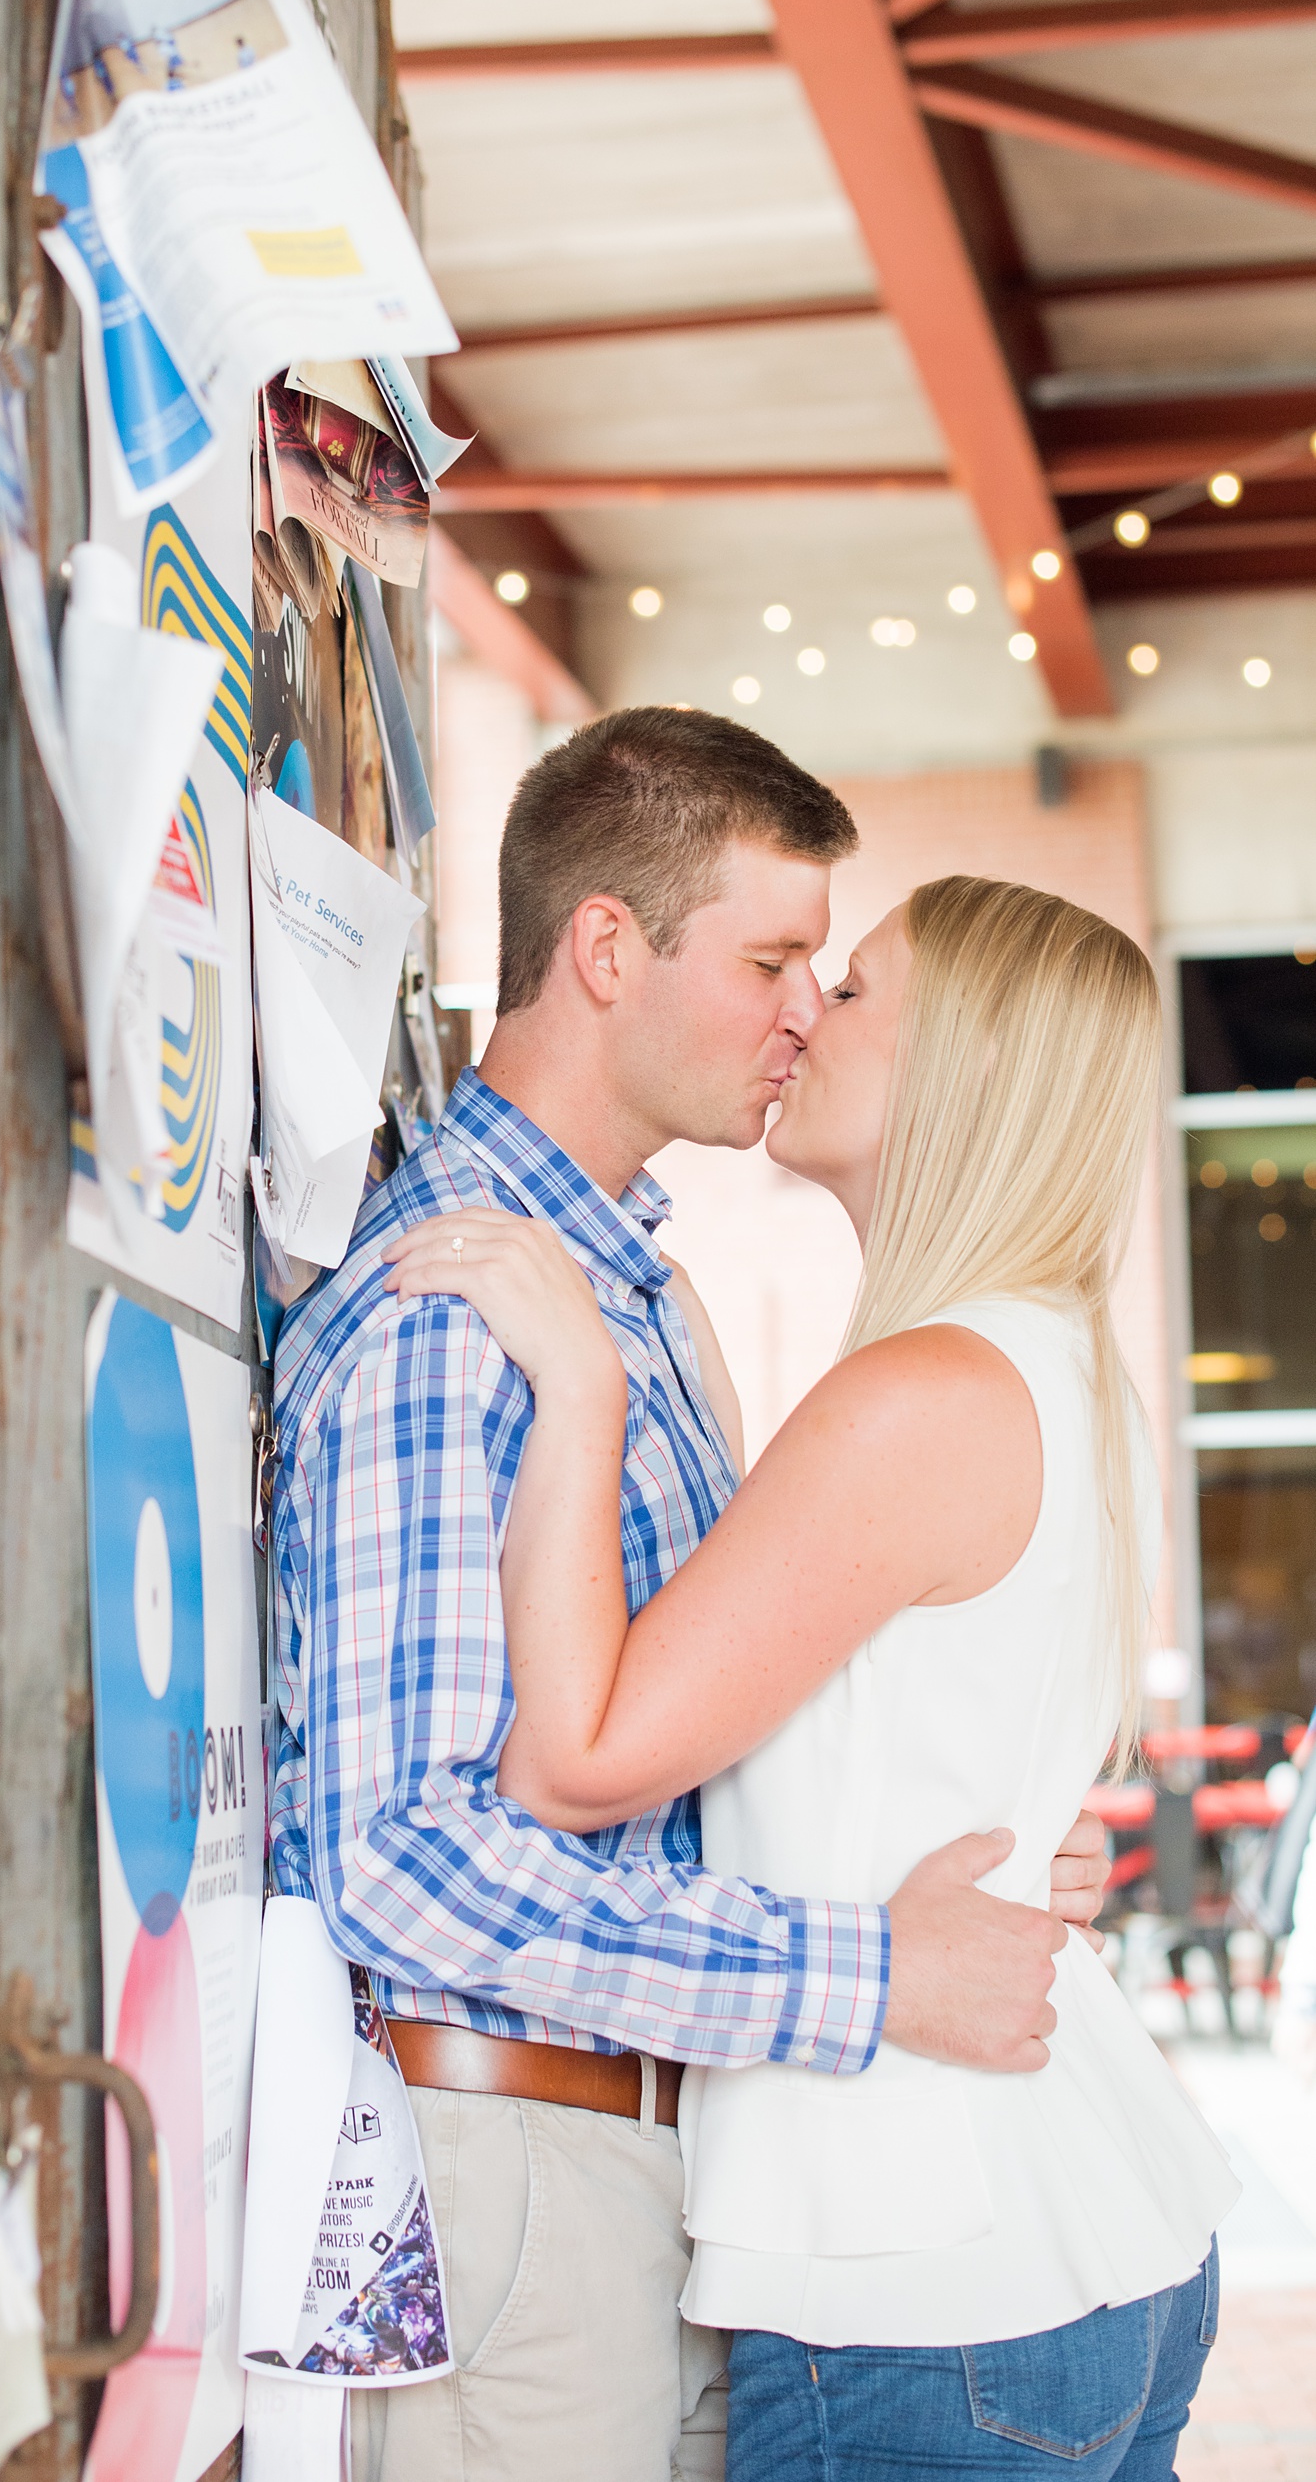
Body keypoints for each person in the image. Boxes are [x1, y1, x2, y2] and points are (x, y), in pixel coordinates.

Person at [269, 710, 1112, 2482]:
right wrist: (870, 1970)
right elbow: (398, 1861)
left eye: (827, 968)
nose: (807, 1009)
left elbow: (679, 1757)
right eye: (771, 958)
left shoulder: (622, 1299)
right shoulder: (456, 1310)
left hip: (658, 2164)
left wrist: (969, 1841)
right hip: (515, 2172)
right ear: (604, 949)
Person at [384, 873, 1241, 2480]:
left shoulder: (919, 1396)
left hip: (918, 2273)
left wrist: (582, 1386)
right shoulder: (1048, 1364)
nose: (802, 1017)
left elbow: (576, 1762)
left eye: (850, 992)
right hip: (1072, 2225)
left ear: (962, 1070)